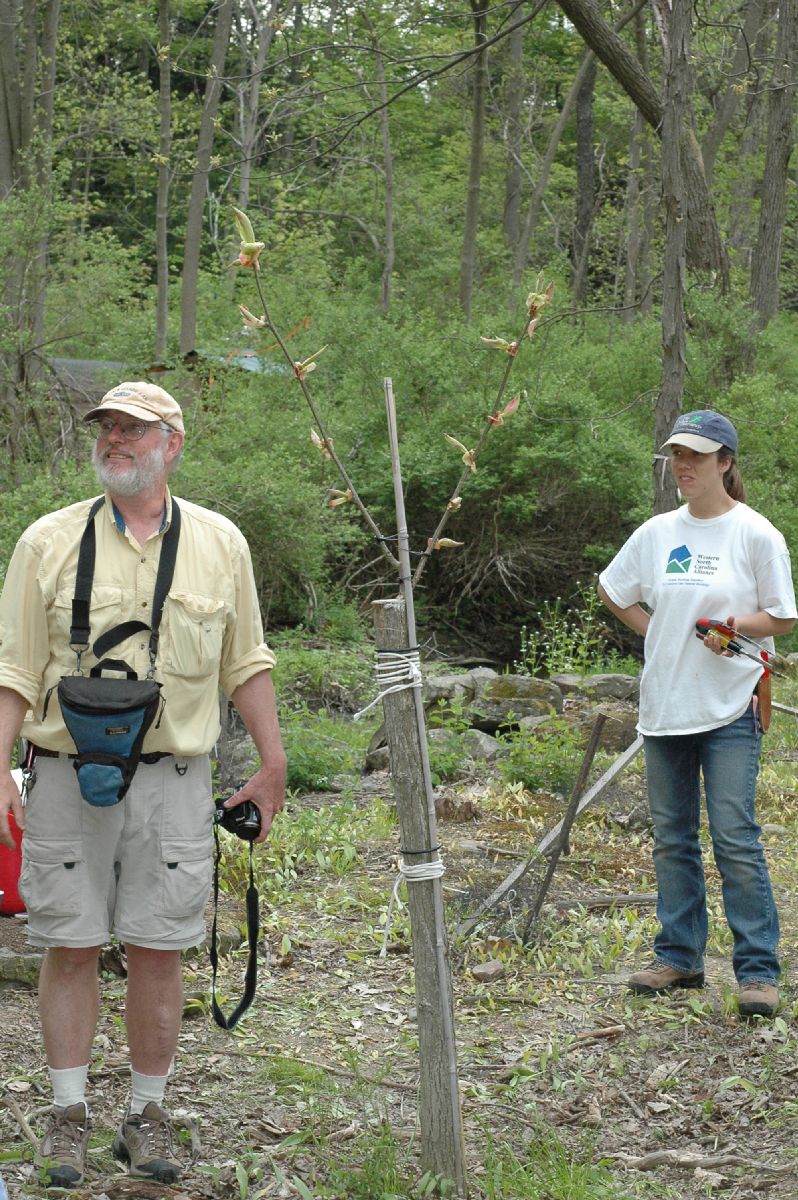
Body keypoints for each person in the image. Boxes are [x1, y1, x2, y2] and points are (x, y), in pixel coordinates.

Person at [0, 382, 287, 1188]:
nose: (117, 440)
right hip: (63, 776)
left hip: (175, 780)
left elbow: (247, 662)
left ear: (173, 443)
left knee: (161, 948)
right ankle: (67, 1115)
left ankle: (146, 1113)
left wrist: (272, 762)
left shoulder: (221, 544)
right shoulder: (47, 541)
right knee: (70, 943)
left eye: (135, 429)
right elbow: (15, 667)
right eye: (108, 428)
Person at [598, 409, 796, 1018]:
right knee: (672, 839)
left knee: (735, 837)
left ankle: (757, 971)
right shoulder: (657, 533)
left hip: (731, 703)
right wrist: (657, 629)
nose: (683, 465)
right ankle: (680, 958)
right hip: (666, 704)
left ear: (725, 463)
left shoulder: (755, 534)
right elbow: (612, 589)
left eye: (697, 456)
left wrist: (737, 628)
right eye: (677, 455)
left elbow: (784, 618)